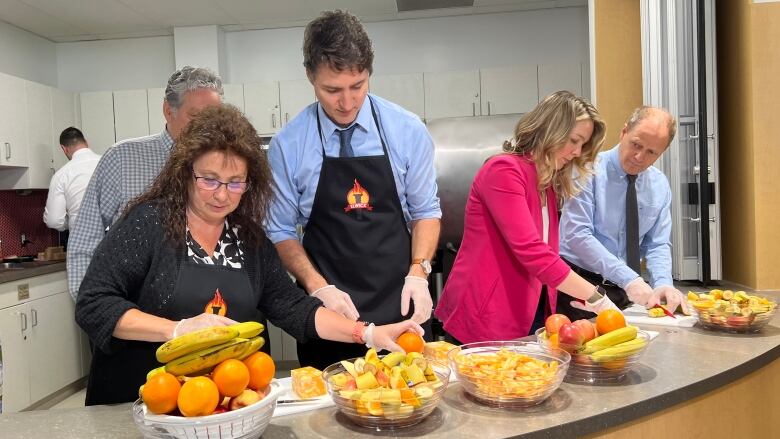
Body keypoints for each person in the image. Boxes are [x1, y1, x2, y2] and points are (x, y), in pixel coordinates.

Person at [75, 105, 423, 406]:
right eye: (209, 180)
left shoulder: (249, 240)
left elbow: (293, 308)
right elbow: (94, 304)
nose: (222, 195)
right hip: (143, 403)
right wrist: (178, 330)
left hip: (224, 407)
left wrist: (367, 334)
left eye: (235, 182)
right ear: (185, 172)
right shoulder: (148, 224)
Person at [267, 10, 441, 370]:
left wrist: (419, 272)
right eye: (332, 90)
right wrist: (317, 287)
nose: (347, 102)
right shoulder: (289, 144)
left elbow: (426, 211)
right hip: (331, 317)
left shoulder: (407, 130)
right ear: (309, 77)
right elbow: (280, 231)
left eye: (357, 85)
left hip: (400, 305)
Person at [435, 91, 622, 344]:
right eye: (574, 140)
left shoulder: (547, 182)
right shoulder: (503, 171)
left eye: (582, 145)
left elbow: (549, 253)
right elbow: (532, 251)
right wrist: (596, 297)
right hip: (487, 311)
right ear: (550, 130)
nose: (577, 152)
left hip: (530, 307)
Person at [67, 66, 223, 302]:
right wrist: (91, 303)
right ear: (168, 110)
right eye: (195, 115)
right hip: (136, 307)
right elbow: (87, 237)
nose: (205, 126)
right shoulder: (123, 158)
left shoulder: (228, 165)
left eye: (213, 117)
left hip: (211, 304)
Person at [557, 106, 690, 320]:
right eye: (636, 145)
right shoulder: (585, 170)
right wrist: (629, 279)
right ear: (624, 132)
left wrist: (663, 283)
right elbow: (576, 236)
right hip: (579, 285)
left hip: (624, 289)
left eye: (651, 152)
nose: (639, 157)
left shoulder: (659, 185)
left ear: (662, 152)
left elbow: (657, 243)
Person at [43, 127, 101, 232]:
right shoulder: (108, 163)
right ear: (86, 142)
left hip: (83, 236)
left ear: (64, 148)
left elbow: (54, 220)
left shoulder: (61, 174)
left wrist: (73, 220)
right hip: (115, 234)